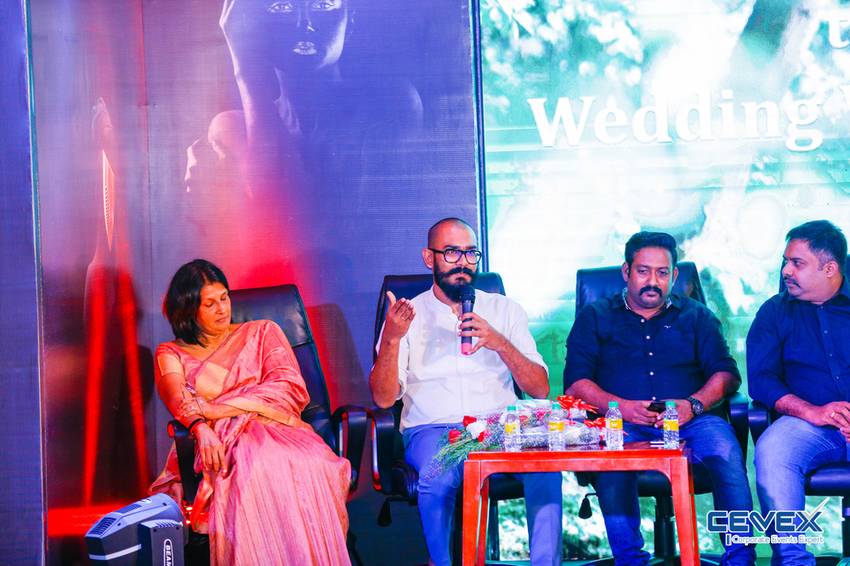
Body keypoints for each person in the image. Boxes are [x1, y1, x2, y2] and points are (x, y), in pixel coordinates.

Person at [369, 218, 563, 566]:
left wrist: (500, 343)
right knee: (435, 477)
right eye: (452, 252)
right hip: (435, 429)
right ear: (429, 258)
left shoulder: (505, 310)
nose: (463, 262)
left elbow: (539, 388)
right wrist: (393, 339)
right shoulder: (406, 315)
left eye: (471, 253)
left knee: (545, 469)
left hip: (502, 428)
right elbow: (383, 399)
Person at [564, 231, 755, 566]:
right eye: (643, 271)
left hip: (692, 421)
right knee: (612, 460)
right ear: (626, 271)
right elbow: (576, 384)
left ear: (674, 275)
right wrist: (621, 408)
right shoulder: (595, 317)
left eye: (662, 273)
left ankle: (741, 559)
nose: (653, 281)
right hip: (622, 424)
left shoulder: (697, 317)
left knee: (725, 450)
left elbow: (726, 374)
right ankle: (630, 561)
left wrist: (693, 404)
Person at [149, 259, 351, 565]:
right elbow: (178, 397)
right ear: (188, 311)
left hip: (283, 432)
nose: (222, 309)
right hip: (222, 444)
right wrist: (201, 427)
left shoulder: (262, 332)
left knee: (308, 463)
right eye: (210, 304)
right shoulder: (171, 353)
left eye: (224, 298)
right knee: (254, 465)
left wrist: (216, 407)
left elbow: (288, 386)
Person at [748, 220, 850, 565]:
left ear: (829, 268)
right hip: (808, 425)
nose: (785, 271)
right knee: (773, 450)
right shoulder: (774, 312)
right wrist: (811, 412)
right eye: (785, 261)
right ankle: (793, 561)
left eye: (797, 263)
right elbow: (761, 379)